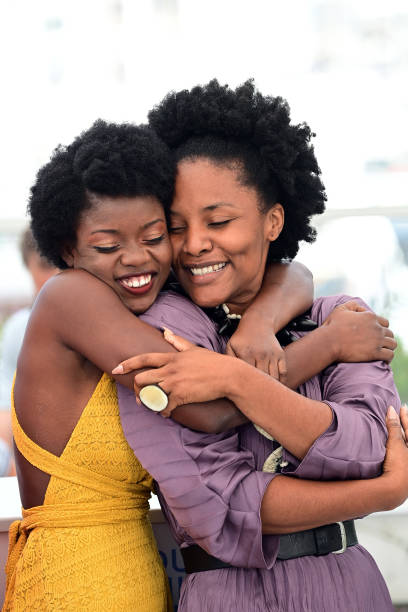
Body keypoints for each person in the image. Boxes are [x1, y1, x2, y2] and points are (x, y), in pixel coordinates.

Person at [5, 113, 401, 612]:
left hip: (136, 567)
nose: (135, 258)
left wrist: (260, 325)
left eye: (154, 237)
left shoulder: (149, 305)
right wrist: (327, 346)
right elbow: (207, 410)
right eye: (107, 246)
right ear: (67, 247)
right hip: (76, 575)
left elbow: (286, 271)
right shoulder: (72, 297)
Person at [108, 79, 404, 611]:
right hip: (230, 595)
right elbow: (217, 499)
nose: (196, 243)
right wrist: (380, 493)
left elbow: (369, 449)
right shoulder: (160, 331)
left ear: (273, 220)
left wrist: (236, 377)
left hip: (351, 590)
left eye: (219, 221)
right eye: (176, 228)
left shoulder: (337, 317)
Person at [0, 229, 58, 477]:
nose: (57, 274)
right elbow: (6, 413)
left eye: (64, 264)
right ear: (27, 266)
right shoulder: (20, 328)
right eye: (46, 264)